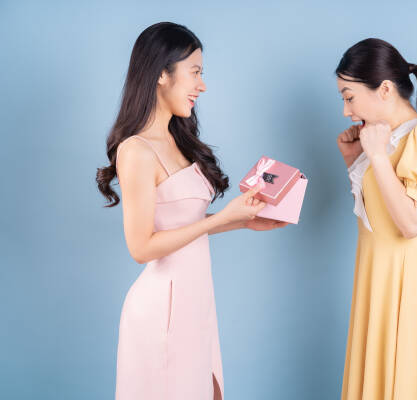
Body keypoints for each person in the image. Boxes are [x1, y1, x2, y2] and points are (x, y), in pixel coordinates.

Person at [95, 22, 287, 400]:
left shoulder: (178, 140)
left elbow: (183, 225)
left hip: (197, 304)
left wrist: (241, 222)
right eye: (195, 72)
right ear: (162, 74)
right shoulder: (136, 150)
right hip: (162, 313)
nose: (202, 85)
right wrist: (223, 219)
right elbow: (141, 247)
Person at [335, 38, 417, 400]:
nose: (346, 110)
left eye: (349, 96)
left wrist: (375, 156)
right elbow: (378, 214)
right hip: (373, 288)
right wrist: (354, 158)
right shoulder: (379, 141)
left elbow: (409, 225)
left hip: (407, 294)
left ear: (385, 89)